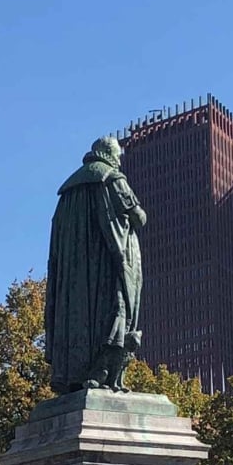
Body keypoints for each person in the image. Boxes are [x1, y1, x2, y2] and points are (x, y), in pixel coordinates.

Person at [45, 135, 147, 392]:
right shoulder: (112, 179)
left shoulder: (67, 193)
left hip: (74, 276)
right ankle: (101, 372)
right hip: (107, 267)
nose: (119, 162)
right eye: (118, 156)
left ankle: (75, 375)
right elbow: (138, 217)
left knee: (78, 320)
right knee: (116, 311)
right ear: (110, 154)